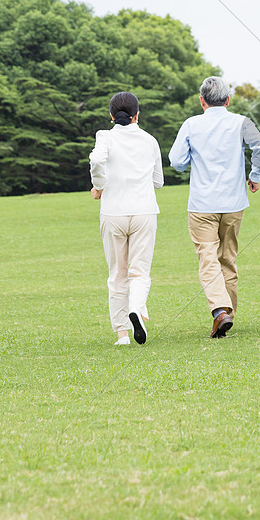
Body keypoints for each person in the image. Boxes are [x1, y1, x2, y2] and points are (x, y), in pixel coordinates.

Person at [169, 76, 260, 338]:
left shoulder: (192, 124)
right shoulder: (241, 122)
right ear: (228, 100)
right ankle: (228, 315)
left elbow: (177, 161)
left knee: (207, 257)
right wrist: (255, 175)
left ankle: (219, 311)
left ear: (202, 101)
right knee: (228, 258)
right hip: (234, 203)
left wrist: (192, 157)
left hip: (202, 204)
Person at [89, 91, 164, 346]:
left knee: (117, 274)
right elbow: (159, 182)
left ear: (111, 115)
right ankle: (136, 308)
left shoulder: (105, 137)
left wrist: (99, 184)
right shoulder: (150, 140)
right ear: (137, 115)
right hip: (144, 211)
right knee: (140, 272)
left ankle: (122, 333)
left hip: (113, 212)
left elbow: (97, 159)